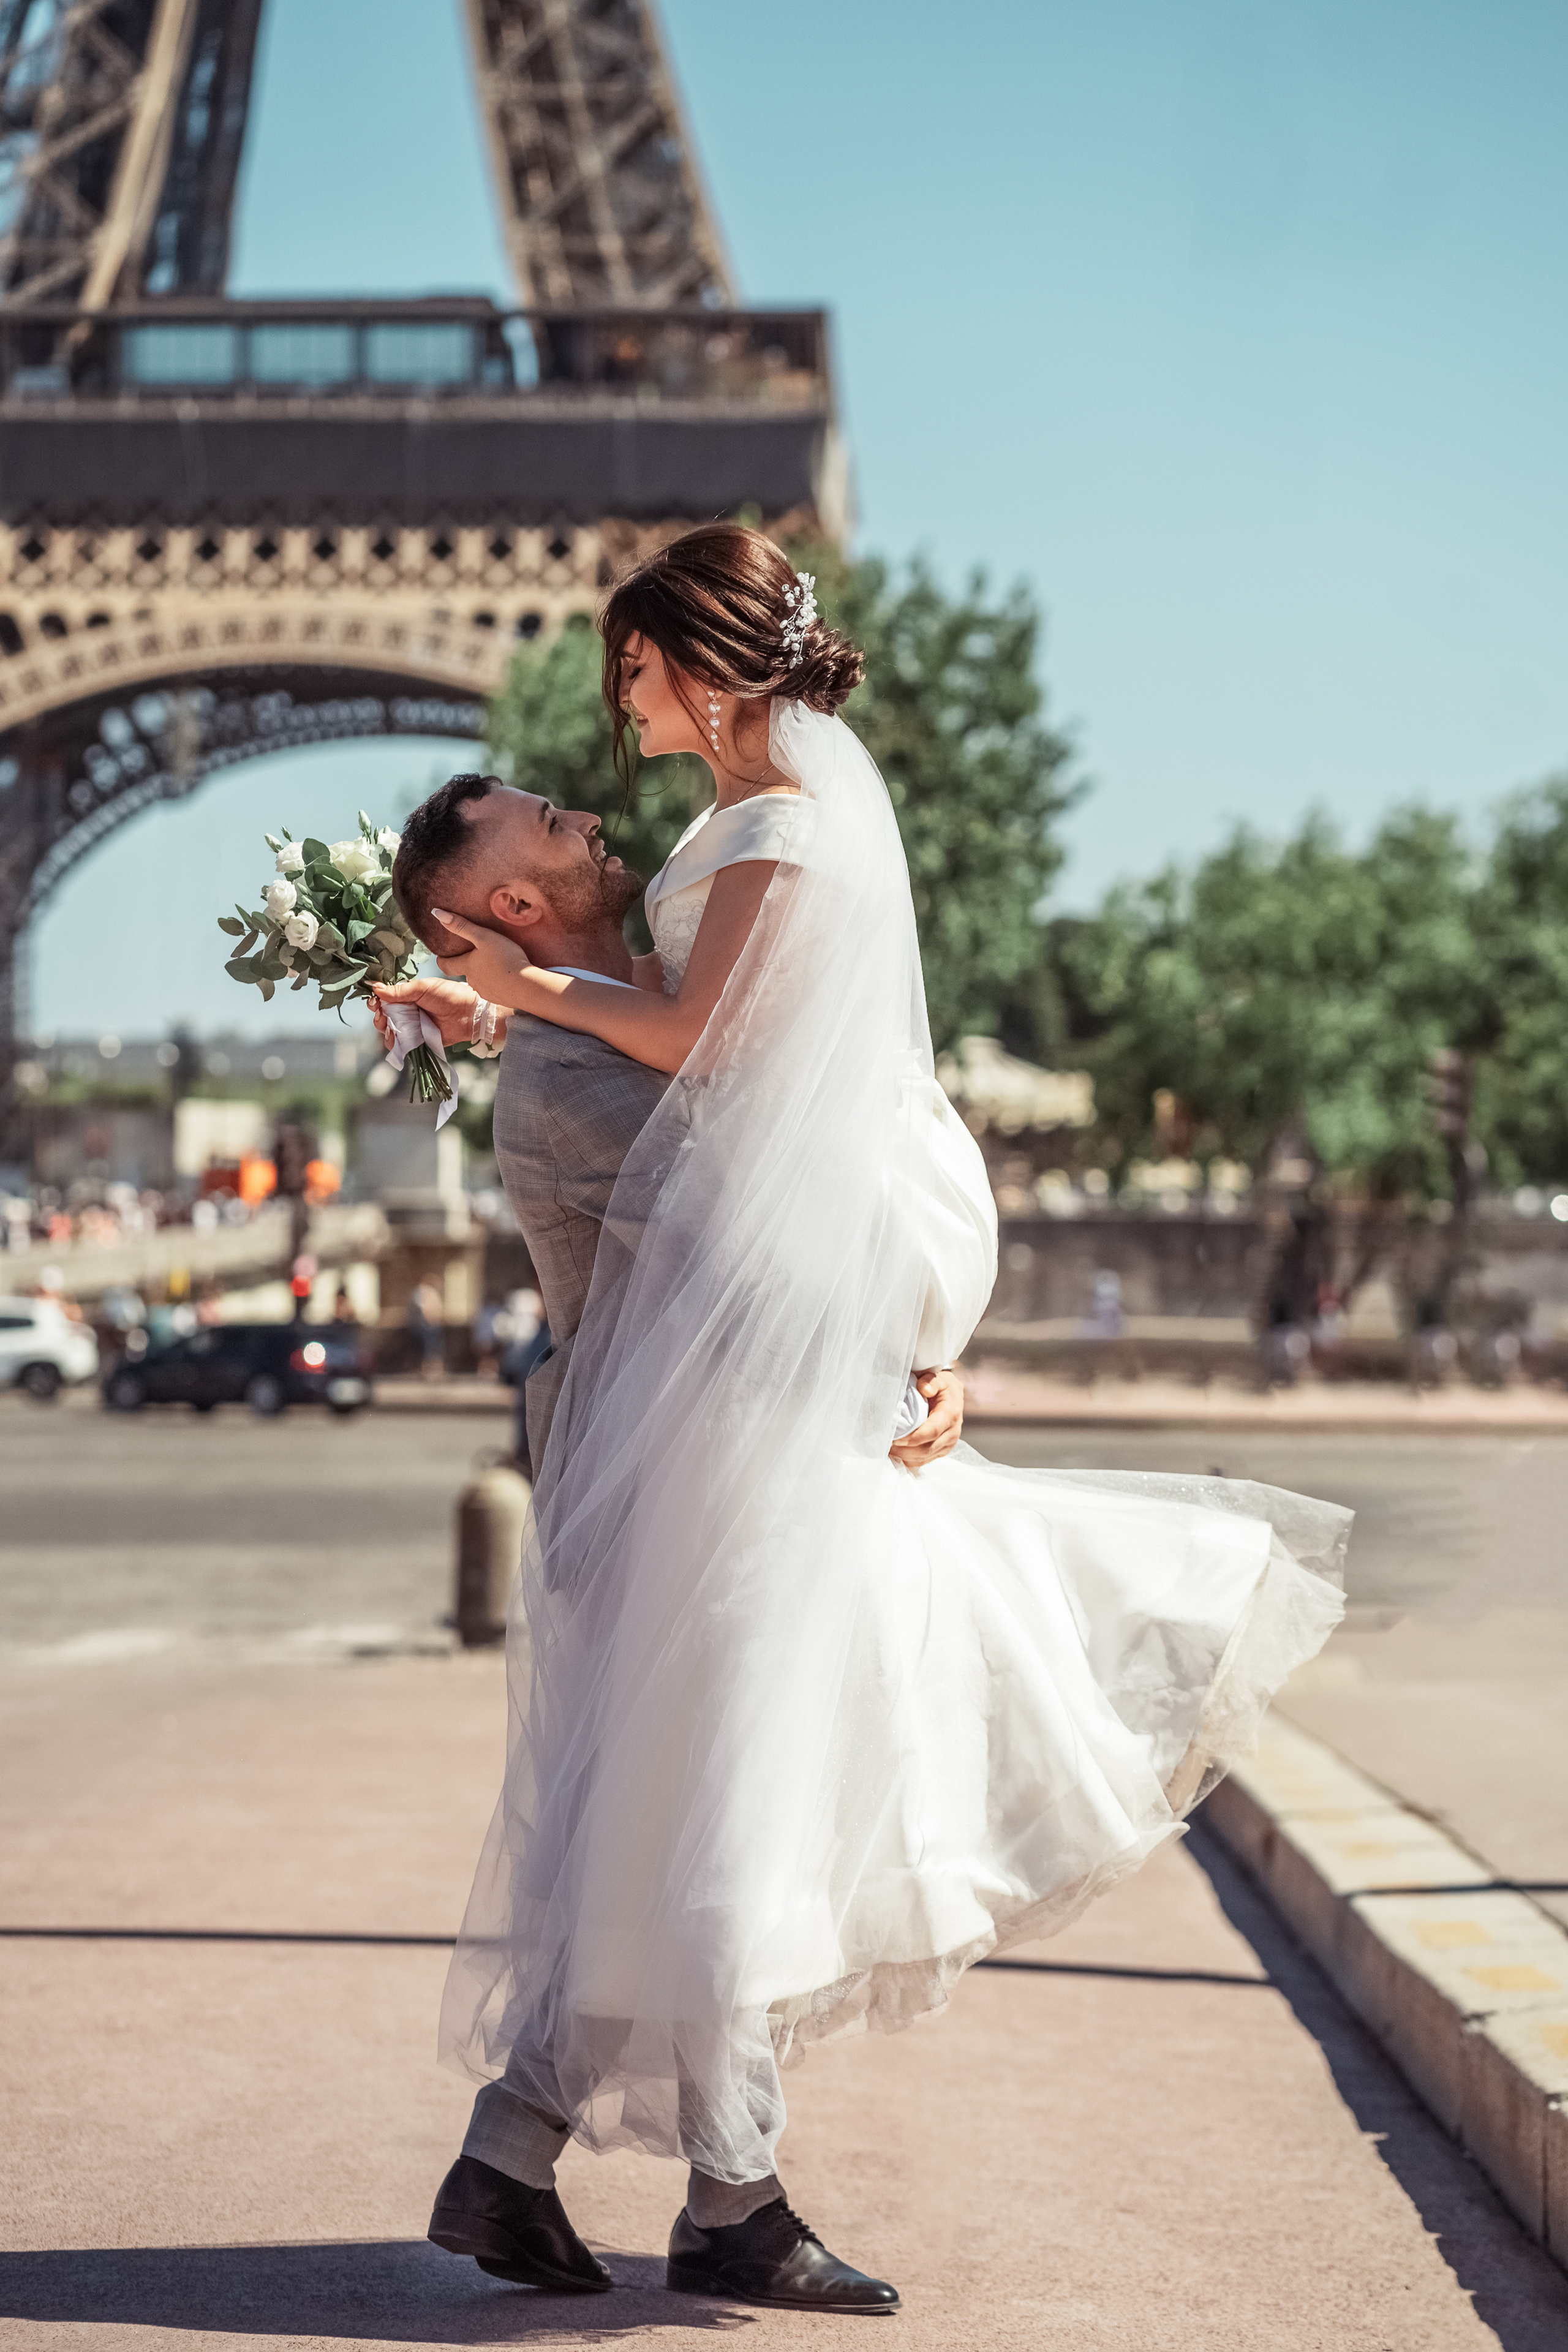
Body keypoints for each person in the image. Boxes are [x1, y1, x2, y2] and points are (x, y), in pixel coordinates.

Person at [375, 524, 1349, 2314]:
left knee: (713, 1797)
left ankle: (546, 2163)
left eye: (632, 671)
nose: (609, 728)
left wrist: (906, 1342)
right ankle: (700, 2197)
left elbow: (742, 1092)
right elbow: (733, 1120)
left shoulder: (750, 854)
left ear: (703, 665)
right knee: (737, 1797)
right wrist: (510, 1006)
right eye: (547, 823)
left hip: (742, 1426)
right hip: (721, 1444)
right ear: (499, 905)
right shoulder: (685, 908)